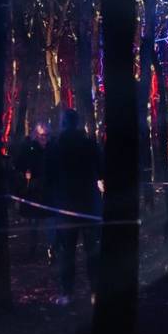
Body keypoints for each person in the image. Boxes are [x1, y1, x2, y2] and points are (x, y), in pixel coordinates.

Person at [47, 108, 101, 305]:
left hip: (66, 206)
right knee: (92, 250)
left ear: (63, 124)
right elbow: (102, 168)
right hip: (89, 205)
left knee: (67, 252)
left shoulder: (56, 146)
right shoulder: (90, 144)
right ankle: (95, 292)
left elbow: (48, 176)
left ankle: (67, 293)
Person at [14, 122, 53, 261]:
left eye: (47, 135)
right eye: (42, 135)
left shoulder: (52, 149)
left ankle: (51, 251)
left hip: (49, 193)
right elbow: (18, 167)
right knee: (33, 224)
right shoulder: (28, 149)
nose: (45, 138)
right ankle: (32, 249)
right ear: (36, 135)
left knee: (50, 224)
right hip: (33, 193)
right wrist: (25, 178)